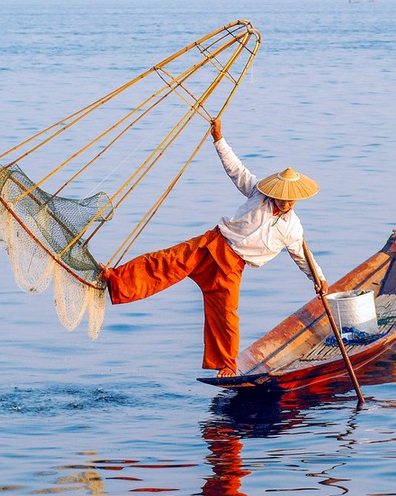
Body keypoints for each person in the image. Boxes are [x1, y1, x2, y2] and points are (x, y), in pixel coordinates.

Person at [101, 118, 327, 378]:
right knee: (164, 262)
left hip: (232, 267)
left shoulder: (293, 229)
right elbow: (235, 169)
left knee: (226, 317)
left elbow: (303, 258)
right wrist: (218, 139)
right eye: (281, 197)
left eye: (290, 200)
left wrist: (318, 278)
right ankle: (115, 279)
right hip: (212, 244)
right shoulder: (258, 193)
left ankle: (227, 366)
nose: (285, 203)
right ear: (274, 192)